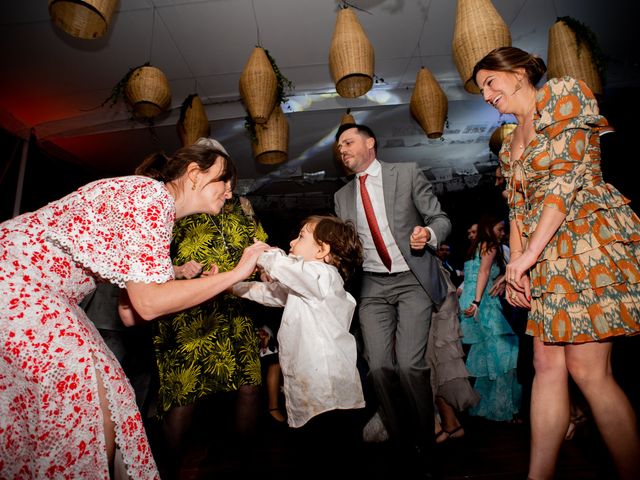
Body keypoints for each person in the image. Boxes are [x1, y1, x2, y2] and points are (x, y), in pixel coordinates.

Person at [0, 142, 269, 479]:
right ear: (194, 174)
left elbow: (131, 312)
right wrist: (237, 273)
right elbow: (149, 303)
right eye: (223, 180)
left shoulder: (154, 206)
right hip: (19, 280)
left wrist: (205, 283)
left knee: (109, 399)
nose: (229, 194)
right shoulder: (152, 197)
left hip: (33, 288)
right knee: (89, 409)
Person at [473, 46, 640, 479]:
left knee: (588, 372)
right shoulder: (510, 140)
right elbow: (517, 208)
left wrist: (526, 257)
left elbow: (564, 183)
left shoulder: (564, 93)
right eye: (481, 90)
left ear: (519, 71)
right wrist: (518, 267)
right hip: (543, 255)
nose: (487, 95)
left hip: (585, 244)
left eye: (490, 81)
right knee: (545, 365)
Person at [334, 123, 451, 474]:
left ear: (371, 142)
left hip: (412, 278)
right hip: (373, 285)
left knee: (410, 366)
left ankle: (425, 442)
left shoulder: (406, 173)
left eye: (348, 142)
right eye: (339, 146)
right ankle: (401, 443)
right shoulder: (341, 197)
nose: (342, 149)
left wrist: (427, 233)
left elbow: (440, 218)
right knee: (381, 367)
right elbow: (345, 250)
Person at [231, 215, 366, 468]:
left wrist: (264, 253)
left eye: (301, 236)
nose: (292, 242)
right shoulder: (307, 287)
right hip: (314, 397)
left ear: (323, 249)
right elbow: (267, 293)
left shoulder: (323, 276)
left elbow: (286, 269)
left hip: (330, 397)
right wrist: (230, 285)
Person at [459, 215, 521, 422]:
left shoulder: (474, 249)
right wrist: (477, 302)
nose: (502, 232)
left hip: (471, 303)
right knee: (505, 354)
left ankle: (485, 407)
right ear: (490, 227)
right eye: (500, 228)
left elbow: (473, 275)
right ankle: (502, 408)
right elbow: (484, 272)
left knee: (489, 356)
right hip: (483, 306)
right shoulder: (489, 244)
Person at [429, 244, 480, 443]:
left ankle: (436, 424)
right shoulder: (438, 267)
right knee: (435, 361)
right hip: (434, 289)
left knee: (429, 360)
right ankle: (450, 423)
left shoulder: (434, 267)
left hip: (429, 290)